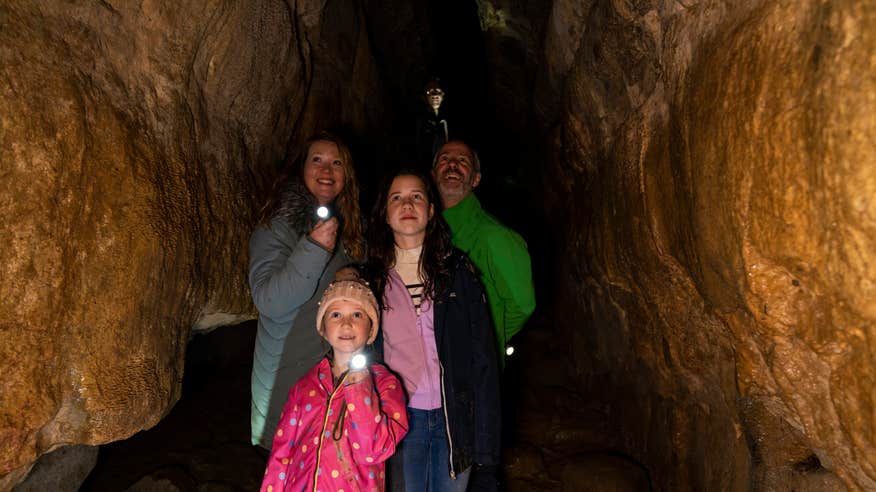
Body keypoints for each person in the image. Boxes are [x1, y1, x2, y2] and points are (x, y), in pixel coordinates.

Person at [368, 170, 501, 491]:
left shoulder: (457, 272)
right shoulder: (371, 280)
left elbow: (483, 359)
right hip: (399, 419)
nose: (407, 204)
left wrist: (487, 452)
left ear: (430, 211)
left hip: (454, 417)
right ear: (385, 214)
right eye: (396, 197)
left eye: (417, 196)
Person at [249, 131, 366, 448]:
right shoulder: (278, 223)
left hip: (330, 380)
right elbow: (269, 300)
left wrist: (351, 275)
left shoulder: (351, 227)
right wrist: (314, 249)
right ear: (302, 167)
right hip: (286, 382)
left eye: (336, 162)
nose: (327, 171)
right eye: (318, 160)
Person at [260, 274, 409, 492]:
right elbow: (281, 455)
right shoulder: (304, 387)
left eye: (357, 315)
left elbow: (373, 451)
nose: (346, 323)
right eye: (336, 314)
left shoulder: (386, 385)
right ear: (323, 328)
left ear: (371, 330)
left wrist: (359, 387)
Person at [432, 140, 536, 365]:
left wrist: (486, 338)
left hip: (476, 373)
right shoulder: (421, 234)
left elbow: (522, 305)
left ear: (476, 179)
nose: (452, 165)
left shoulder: (494, 236)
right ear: (432, 174)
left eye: (462, 161)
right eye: (445, 159)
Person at [415, 78, 449, 168]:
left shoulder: (447, 120)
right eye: (430, 92)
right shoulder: (420, 121)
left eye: (438, 92)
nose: (435, 96)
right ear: (424, 97)